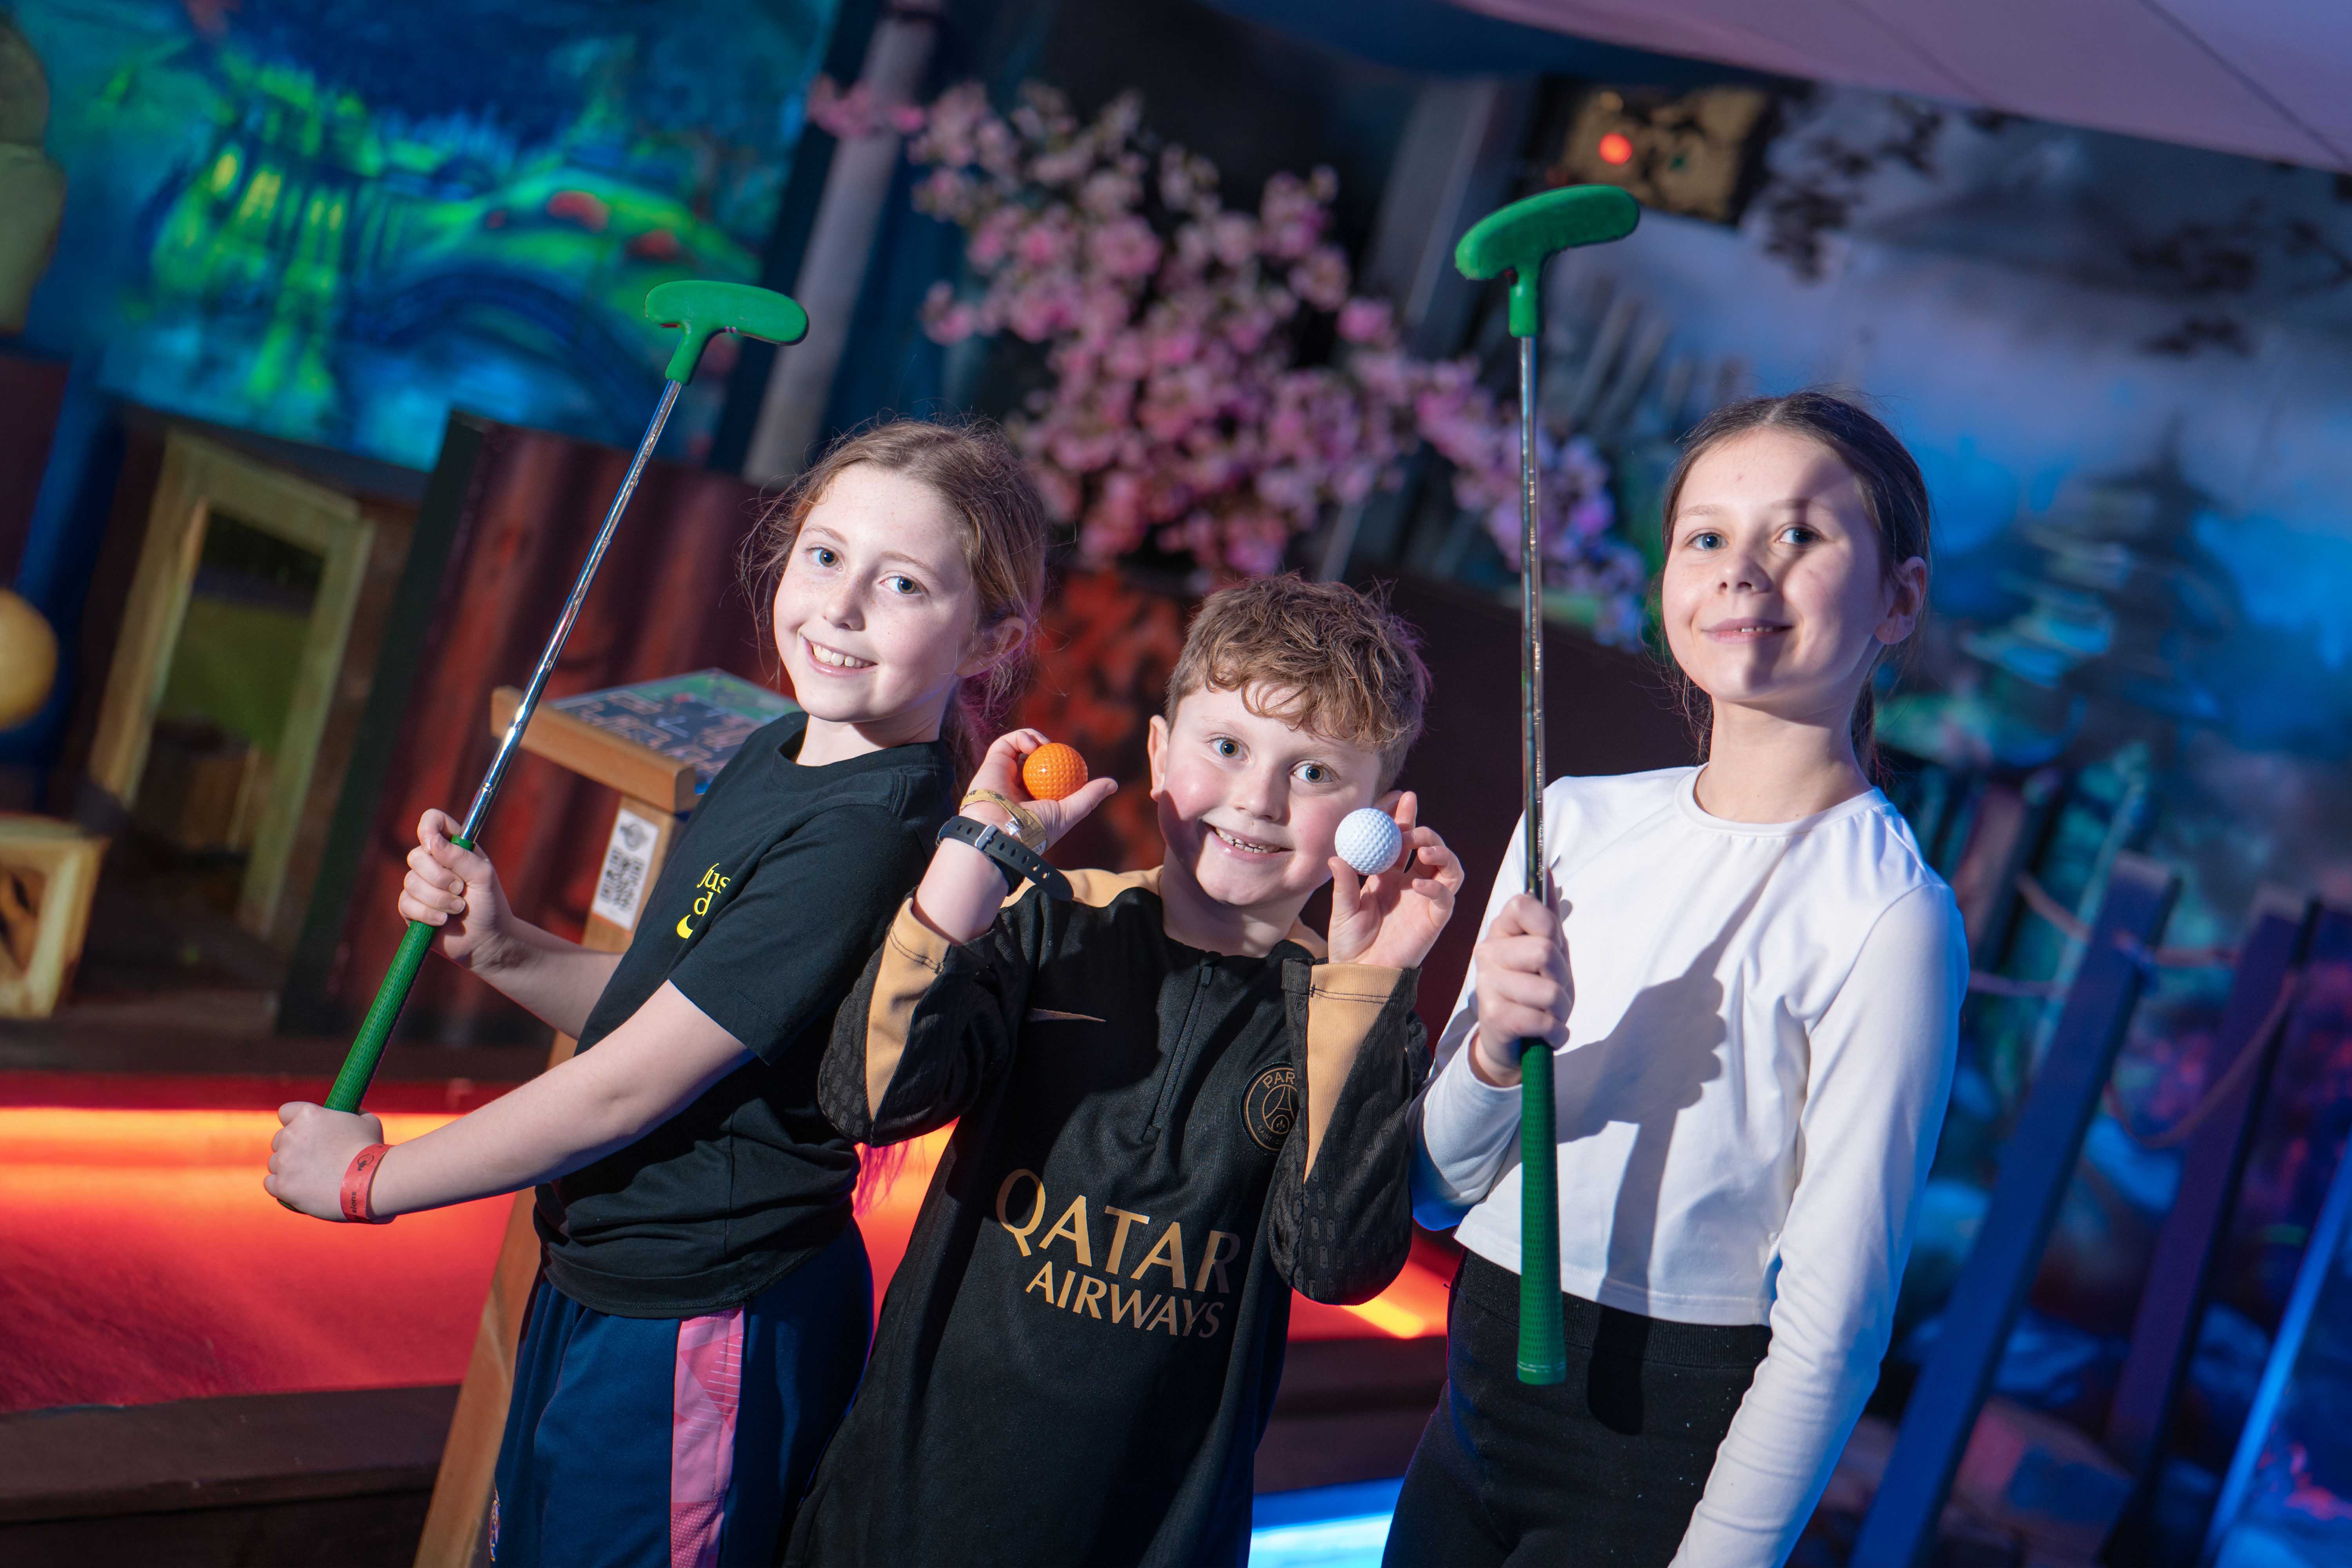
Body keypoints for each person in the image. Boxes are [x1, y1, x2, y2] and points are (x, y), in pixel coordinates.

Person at [263, 419, 1052, 1568]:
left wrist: (373, 1180)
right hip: (608, 1270)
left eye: (902, 584)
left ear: (991, 640)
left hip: (702, 1312)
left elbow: (626, 1089)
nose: (838, 607)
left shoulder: (870, 830)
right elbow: (670, 1008)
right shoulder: (780, 745)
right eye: (824, 556)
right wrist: (508, 948)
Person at [1387, 391, 1968, 1568]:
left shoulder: (1891, 916)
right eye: (1706, 536)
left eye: (1800, 535)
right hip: (1470, 1412)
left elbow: (1833, 1328)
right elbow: (1434, 1193)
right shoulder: (1573, 822)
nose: (1742, 571)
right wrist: (1494, 1050)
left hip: (1659, 1461)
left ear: (1899, 599)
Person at [784, 574, 1465, 1568]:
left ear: (1378, 816)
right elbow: (870, 1098)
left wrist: (1368, 981)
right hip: (904, 1503)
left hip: (1153, 1533)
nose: (1258, 799)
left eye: (1315, 773)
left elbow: (1336, 1262)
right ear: (1157, 755)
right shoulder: (1052, 920)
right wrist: (970, 865)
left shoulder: (1350, 1010)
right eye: (1226, 747)